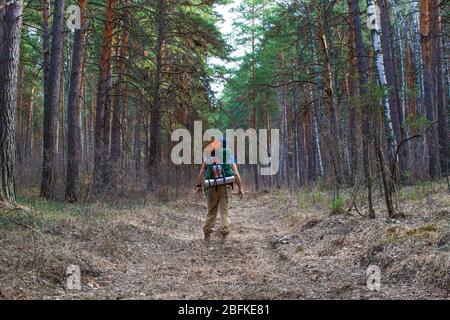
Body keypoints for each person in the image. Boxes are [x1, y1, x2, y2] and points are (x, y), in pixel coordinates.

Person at [196, 138, 243, 243]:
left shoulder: (209, 155)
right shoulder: (228, 155)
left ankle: (207, 235)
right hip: (226, 186)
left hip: (212, 186)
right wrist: (240, 188)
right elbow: (236, 173)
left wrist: (199, 185)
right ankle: (225, 235)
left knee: (211, 211)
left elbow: (202, 171)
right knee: (224, 210)